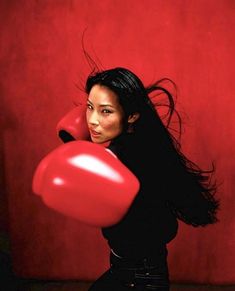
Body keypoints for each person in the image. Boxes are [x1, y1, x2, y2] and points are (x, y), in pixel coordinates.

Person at [83, 67, 219, 291]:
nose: (93, 120)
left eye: (105, 111)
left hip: (141, 279)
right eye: (89, 108)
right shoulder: (145, 145)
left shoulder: (120, 160)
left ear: (132, 115)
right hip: (132, 271)